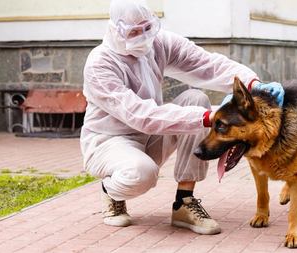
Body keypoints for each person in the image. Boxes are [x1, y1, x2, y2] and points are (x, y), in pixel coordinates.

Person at [80, 0, 284, 235]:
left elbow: (207, 64)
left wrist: (253, 83)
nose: (144, 37)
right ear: (116, 29)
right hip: (110, 141)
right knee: (141, 173)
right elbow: (139, 115)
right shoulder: (100, 64)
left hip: (150, 135)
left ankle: (184, 202)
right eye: (134, 32)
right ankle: (110, 190)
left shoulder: (158, 43)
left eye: (148, 28)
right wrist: (208, 118)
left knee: (196, 100)